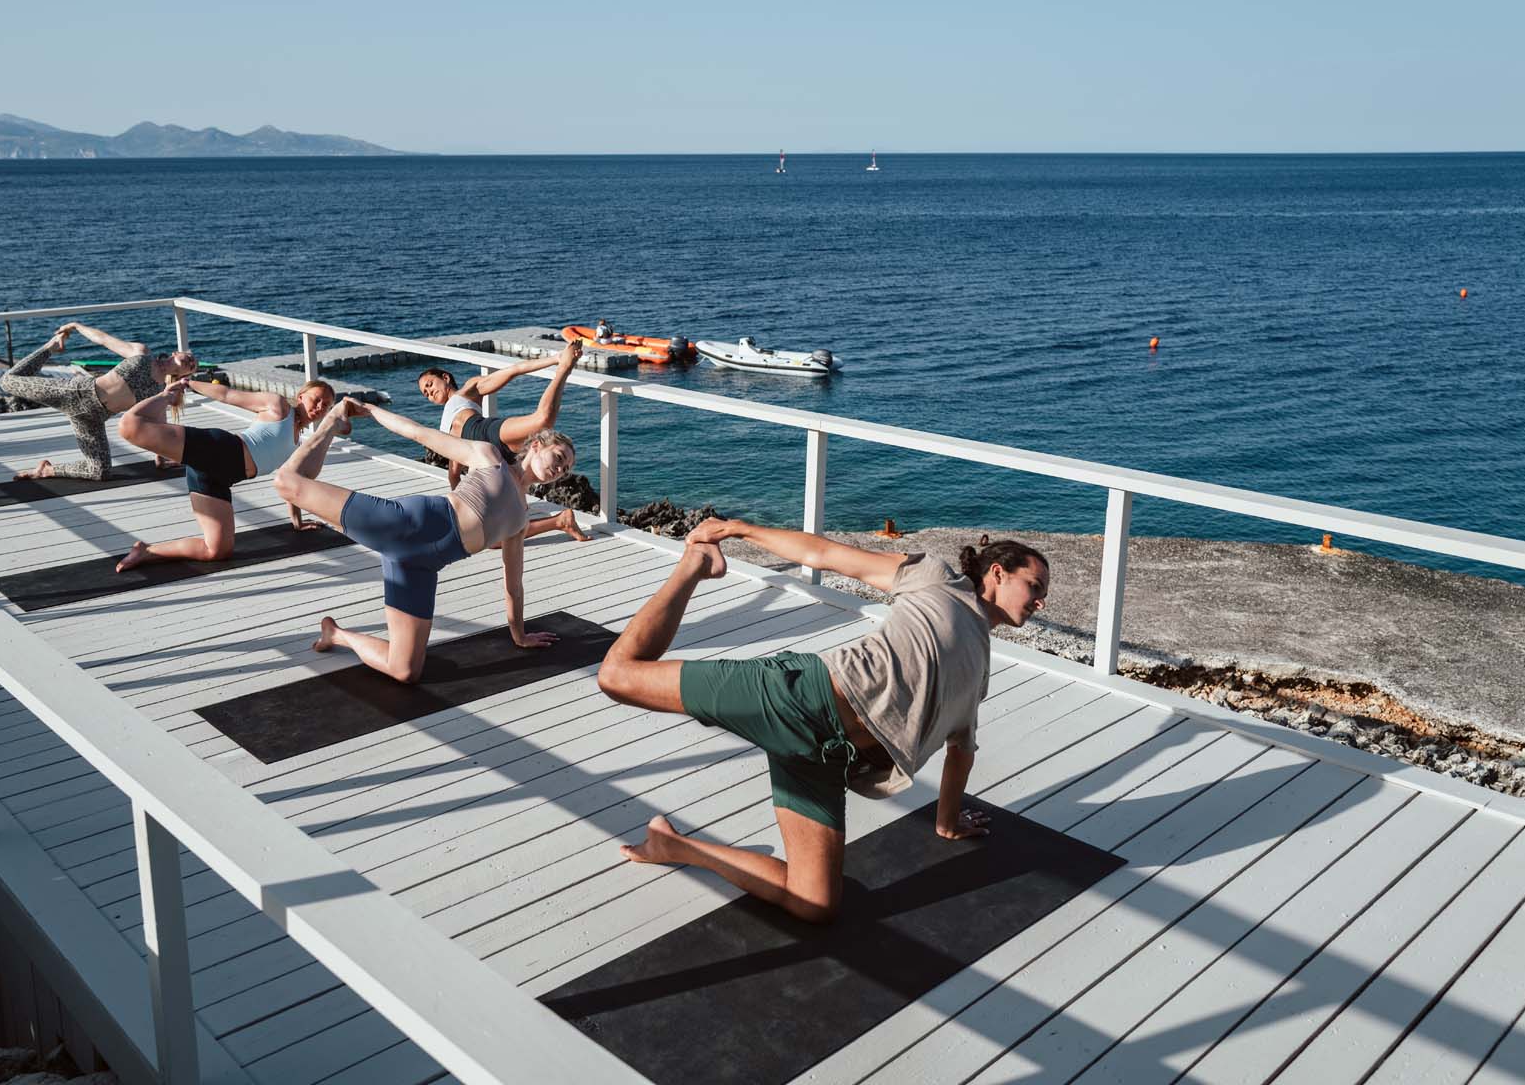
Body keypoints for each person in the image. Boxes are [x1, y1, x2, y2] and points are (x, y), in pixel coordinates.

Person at [596, 520, 1050, 922]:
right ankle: (691, 567)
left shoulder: (982, 669)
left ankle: (674, 846)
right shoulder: (937, 579)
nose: (1040, 601)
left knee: (814, 904)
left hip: (826, 758)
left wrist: (947, 823)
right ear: (998, 572)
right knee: (617, 677)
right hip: (802, 697)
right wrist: (737, 530)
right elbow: (826, 555)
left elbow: (961, 752)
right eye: (1035, 586)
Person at [274, 397, 578, 683]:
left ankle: (336, 635)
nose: (559, 470)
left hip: (419, 568)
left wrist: (519, 634)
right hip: (402, 524)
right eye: (559, 457)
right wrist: (370, 411)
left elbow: (514, 584)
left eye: (565, 470)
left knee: (405, 670)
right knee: (286, 482)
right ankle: (331, 421)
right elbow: (420, 433)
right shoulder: (490, 457)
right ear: (537, 445)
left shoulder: (521, 520)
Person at [114, 377, 335, 570]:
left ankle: (146, 551)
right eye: (316, 399)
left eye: (325, 406)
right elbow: (228, 394)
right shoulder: (278, 407)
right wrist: (188, 384)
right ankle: (165, 396)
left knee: (217, 551)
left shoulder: (296, 445)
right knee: (130, 426)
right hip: (217, 449)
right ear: (301, 396)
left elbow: (290, 485)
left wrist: (296, 522)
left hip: (217, 478)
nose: (319, 407)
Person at [416, 338, 589, 541]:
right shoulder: (443, 425)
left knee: (543, 420)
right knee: (493, 537)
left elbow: (513, 370)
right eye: (425, 393)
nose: (429, 392)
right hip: (482, 459)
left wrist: (556, 359)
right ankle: (560, 521)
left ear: (445, 378)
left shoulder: (467, 391)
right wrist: (460, 509)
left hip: (484, 432)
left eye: (429, 384)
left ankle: (564, 369)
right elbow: (454, 471)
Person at [0, 322, 197, 480]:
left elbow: (157, 426)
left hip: (91, 419)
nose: (191, 360)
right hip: (74, 392)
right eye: (189, 356)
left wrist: (161, 459)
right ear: (175, 353)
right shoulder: (143, 354)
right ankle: (49, 348)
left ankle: (45, 471)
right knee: (7, 381)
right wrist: (76, 326)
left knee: (100, 472)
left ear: (184, 374)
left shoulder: (159, 392)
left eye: (193, 366)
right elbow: (104, 340)